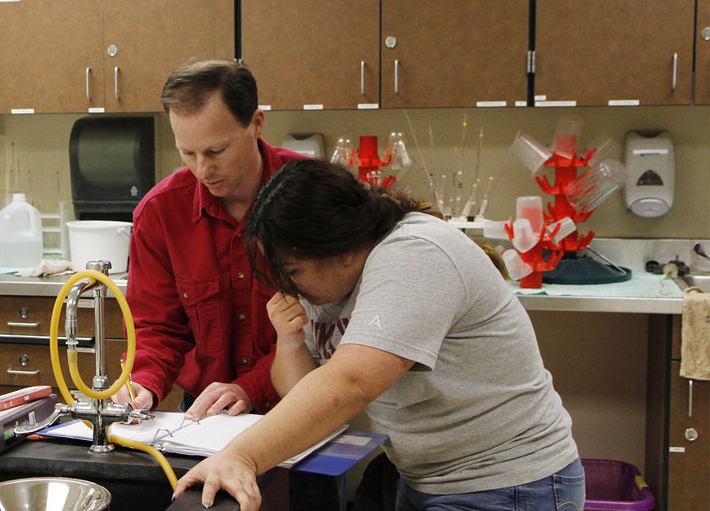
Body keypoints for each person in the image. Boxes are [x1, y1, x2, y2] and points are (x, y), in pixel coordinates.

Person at [173, 159, 583, 510]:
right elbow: (307, 398)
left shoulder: (414, 255)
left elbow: (349, 386)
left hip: (506, 484)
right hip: (426, 480)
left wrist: (243, 455)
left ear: (342, 248)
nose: (289, 287)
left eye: (293, 272)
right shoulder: (331, 278)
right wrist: (290, 339)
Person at [109, 59, 306, 419]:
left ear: (256, 123)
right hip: (207, 413)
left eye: (216, 151)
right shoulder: (161, 213)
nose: (203, 170)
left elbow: (331, 324)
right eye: (188, 153)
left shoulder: (312, 194)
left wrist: (252, 386)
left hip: (299, 405)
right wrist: (142, 381)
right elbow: (156, 326)